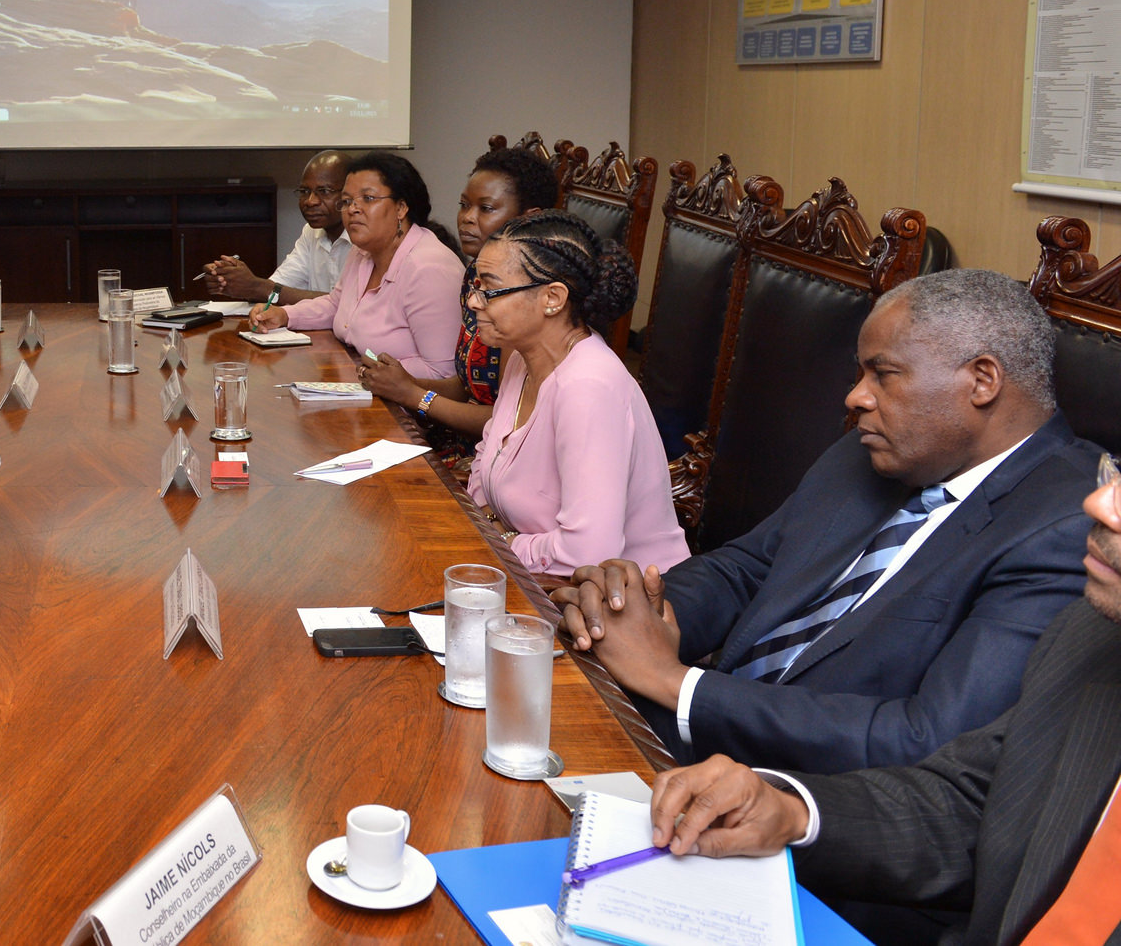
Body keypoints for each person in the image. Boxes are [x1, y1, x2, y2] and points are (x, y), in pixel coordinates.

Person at [551, 268, 1100, 776]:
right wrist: (630, 615)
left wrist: (676, 684)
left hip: (807, 794)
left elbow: (929, 738)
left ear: (982, 380)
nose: (856, 397)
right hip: (697, 728)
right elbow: (748, 569)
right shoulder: (877, 451)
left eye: (883, 374)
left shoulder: (1069, 527)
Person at [642, 462, 1121, 946]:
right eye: (1116, 477)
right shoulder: (1091, 634)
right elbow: (971, 806)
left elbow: (924, 739)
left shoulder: (1061, 559)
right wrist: (795, 813)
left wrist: (675, 683)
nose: (1098, 504)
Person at [460, 211, 688, 578]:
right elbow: (487, 455)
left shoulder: (587, 387)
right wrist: (487, 524)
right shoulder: (523, 357)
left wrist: (502, 542)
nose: (474, 301)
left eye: (489, 289)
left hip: (622, 597)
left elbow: (587, 554)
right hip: (531, 574)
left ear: (553, 297)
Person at [362, 146, 560, 436]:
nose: (467, 218)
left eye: (485, 208)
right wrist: (402, 382)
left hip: (494, 447)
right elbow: (469, 384)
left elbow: (507, 420)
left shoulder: (524, 298)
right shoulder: (474, 275)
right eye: (464, 205)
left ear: (529, 218)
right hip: (456, 431)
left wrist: (413, 395)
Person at [247, 152, 464, 385]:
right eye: (347, 201)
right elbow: (336, 305)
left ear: (401, 208)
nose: (353, 209)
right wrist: (285, 315)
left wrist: (363, 373)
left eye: (368, 198)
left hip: (401, 401)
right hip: (359, 382)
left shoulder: (429, 269)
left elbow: (443, 374)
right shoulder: (362, 252)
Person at [202, 150, 351, 305]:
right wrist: (234, 280)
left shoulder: (364, 240)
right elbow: (276, 289)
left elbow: (348, 304)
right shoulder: (311, 232)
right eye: (304, 191)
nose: (310, 201)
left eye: (324, 191)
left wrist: (255, 287)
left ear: (349, 195)